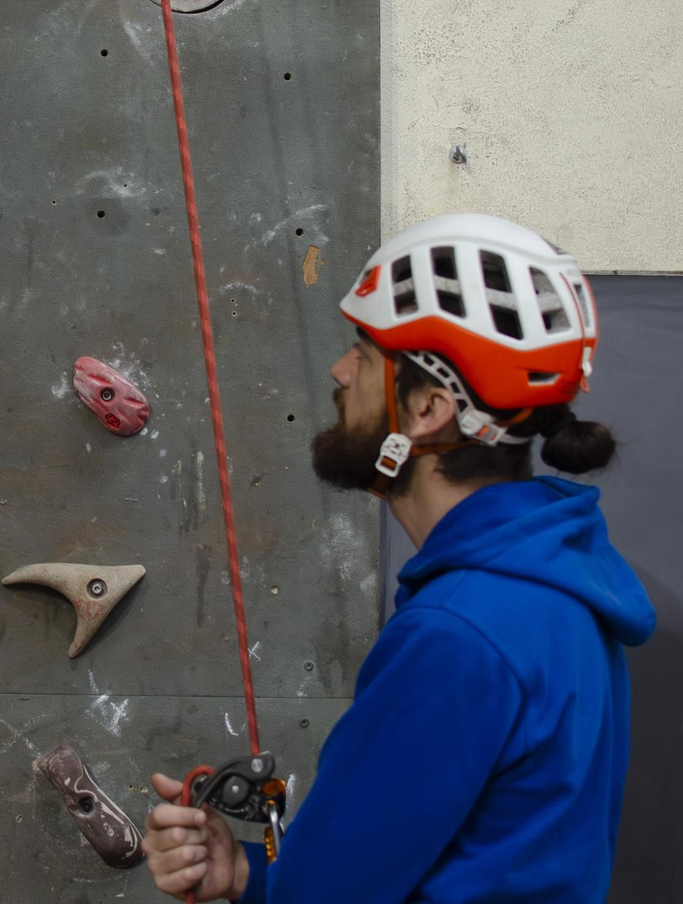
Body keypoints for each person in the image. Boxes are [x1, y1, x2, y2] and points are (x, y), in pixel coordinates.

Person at [143, 213, 655, 903]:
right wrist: (249, 877)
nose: (340, 371)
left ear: (428, 408)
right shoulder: (554, 587)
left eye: (364, 351)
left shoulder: (460, 633)